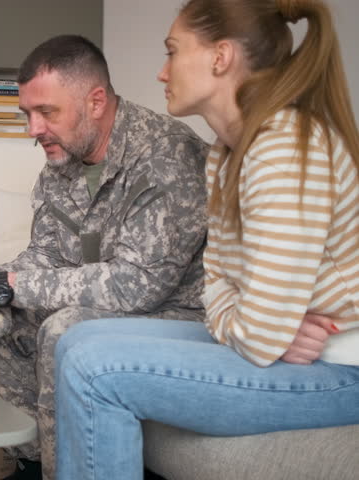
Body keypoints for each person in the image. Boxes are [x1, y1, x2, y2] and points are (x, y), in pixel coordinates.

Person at [54, 0, 359, 478]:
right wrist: (266, 326)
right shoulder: (227, 152)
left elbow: (258, 340)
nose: (161, 71)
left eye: (173, 52)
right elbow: (214, 284)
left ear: (221, 57)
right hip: (284, 348)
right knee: (76, 338)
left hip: (341, 372)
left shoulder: (285, 150)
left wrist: (266, 329)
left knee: (94, 367)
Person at [0, 35, 210, 480]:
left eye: (47, 112)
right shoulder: (61, 164)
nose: (33, 130)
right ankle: (35, 459)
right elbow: (46, 253)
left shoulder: (165, 157)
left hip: (178, 316)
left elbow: (137, 285)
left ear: (96, 101)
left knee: (65, 330)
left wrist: (5, 286)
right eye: (27, 114)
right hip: (109, 306)